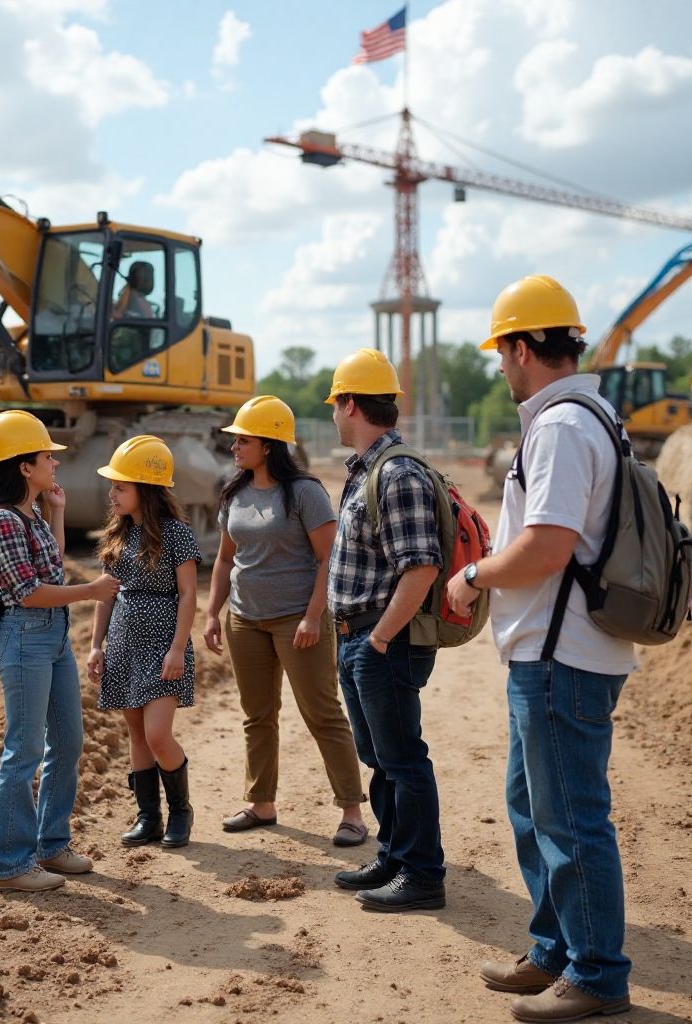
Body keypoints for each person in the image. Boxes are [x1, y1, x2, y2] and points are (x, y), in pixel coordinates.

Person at [445, 276, 634, 1022]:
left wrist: (470, 575)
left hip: (563, 660)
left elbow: (546, 548)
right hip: (561, 654)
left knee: (572, 819)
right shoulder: (593, 415)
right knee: (532, 806)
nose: (498, 367)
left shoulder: (558, 426)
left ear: (522, 348)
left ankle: (597, 975)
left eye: (501, 353)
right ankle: (555, 950)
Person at [203, 396, 368, 846]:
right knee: (257, 716)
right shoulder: (234, 492)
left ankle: (352, 811)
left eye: (243, 439)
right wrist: (213, 612)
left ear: (270, 444)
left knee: (322, 714)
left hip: (297, 620)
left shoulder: (304, 493)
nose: (235, 446)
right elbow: (223, 559)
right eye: (235, 439)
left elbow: (327, 558)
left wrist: (314, 616)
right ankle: (261, 803)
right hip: (245, 620)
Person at [0, 409, 120, 893]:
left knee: (69, 741)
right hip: (25, 638)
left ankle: (51, 845)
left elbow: (52, 565)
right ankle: (10, 866)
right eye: (47, 457)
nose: (55, 463)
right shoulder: (1, 522)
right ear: (23, 467)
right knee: (24, 751)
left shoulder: (31, 514)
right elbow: (27, 591)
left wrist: (56, 511)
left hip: (52, 638)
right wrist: (90, 592)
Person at [324, 350, 446, 912]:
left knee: (402, 758)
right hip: (359, 638)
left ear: (351, 404)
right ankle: (396, 855)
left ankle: (422, 875)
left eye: (335, 404)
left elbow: (420, 567)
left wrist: (376, 641)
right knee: (380, 757)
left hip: (382, 641)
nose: (332, 415)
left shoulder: (397, 475)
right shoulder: (367, 471)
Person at [87, 435, 201, 849]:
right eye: (113, 486)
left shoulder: (177, 534)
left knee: (157, 735)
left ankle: (181, 812)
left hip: (162, 646)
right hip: (122, 643)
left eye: (121, 486)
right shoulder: (115, 537)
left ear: (146, 489)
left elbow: (188, 595)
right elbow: (106, 594)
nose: (112, 494)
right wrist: (96, 644)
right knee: (136, 735)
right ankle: (149, 816)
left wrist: (177, 649)